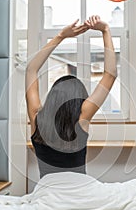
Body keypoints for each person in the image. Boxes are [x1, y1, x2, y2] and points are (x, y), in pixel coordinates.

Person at [26, 15, 117, 178]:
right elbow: (110, 75)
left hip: (48, 194)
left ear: (52, 95)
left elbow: (31, 70)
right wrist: (105, 30)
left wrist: (61, 36)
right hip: (79, 194)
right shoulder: (82, 117)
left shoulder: (36, 118)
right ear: (79, 100)